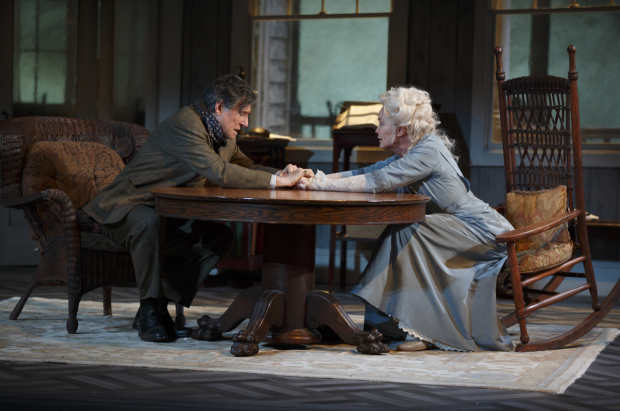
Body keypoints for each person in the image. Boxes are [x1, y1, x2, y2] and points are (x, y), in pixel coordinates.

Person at [84, 74, 311, 343]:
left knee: (219, 236)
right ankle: (149, 311)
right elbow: (219, 172)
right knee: (147, 222)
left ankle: (159, 307)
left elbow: (246, 168)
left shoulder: (222, 135)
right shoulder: (186, 125)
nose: (246, 123)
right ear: (219, 107)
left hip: (165, 212)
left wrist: (283, 173)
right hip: (125, 207)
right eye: (242, 114)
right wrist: (280, 181)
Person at [297, 85, 514, 352]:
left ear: (400, 129)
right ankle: (384, 328)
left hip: (481, 232)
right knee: (403, 229)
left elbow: (377, 181)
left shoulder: (428, 150)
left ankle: (414, 331)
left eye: (381, 123)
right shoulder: (409, 154)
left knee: (408, 230)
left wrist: (319, 187)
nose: (376, 129)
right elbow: (370, 170)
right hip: (451, 228)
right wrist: (315, 177)